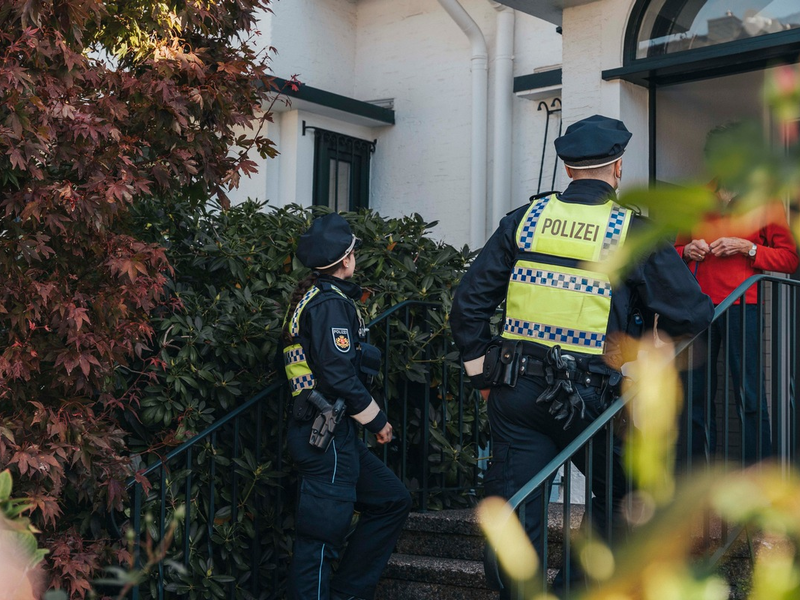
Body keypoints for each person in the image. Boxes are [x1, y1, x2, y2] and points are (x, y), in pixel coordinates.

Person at [450, 115, 714, 598]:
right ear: (616, 168)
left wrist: (482, 374)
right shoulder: (631, 229)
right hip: (594, 399)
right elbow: (693, 313)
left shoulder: (524, 221)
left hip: (518, 390)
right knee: (619, 497)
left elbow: (468, 305)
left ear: (568, 170)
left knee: (515, 505)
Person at [282, 213, 411, 600]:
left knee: (392, 500)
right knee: (320, 541)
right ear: (347, 258)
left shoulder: (315, 299)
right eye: (355, 252)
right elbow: (338, 375)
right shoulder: (328, 306)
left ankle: (348, 593)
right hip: (326, 434)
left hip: (332, 434)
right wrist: (377, 421)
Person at [675, 124, 799, 466]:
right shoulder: (698, 197)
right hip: (699, 308)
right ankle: (701, 479)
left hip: (744, 308)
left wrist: (750, 249)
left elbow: (789, 259)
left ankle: (760, 478)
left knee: (749, 395)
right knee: (696, 395)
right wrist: (689, 251)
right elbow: (673, 252)